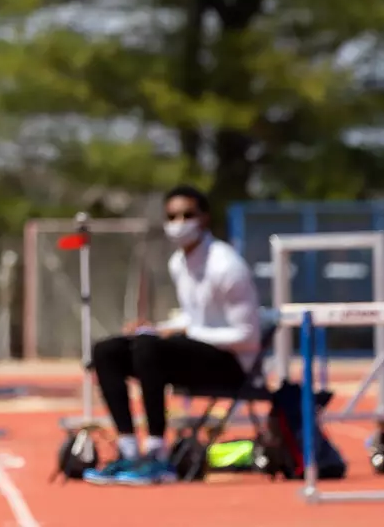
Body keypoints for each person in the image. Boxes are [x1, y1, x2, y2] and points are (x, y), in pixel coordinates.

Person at [83, 184, 262, 486]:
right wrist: (156, 327)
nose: (179, 223)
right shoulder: (179, 263)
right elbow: (192, 317)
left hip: (233, 366)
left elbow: (248, 336)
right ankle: (128, 450)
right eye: (172, 216)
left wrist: (178, 332)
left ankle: (157, 456)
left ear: (204, 218)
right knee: (107, 350)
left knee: (148, 347)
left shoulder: (226, 266)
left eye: (187, 215)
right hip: (194, 354)